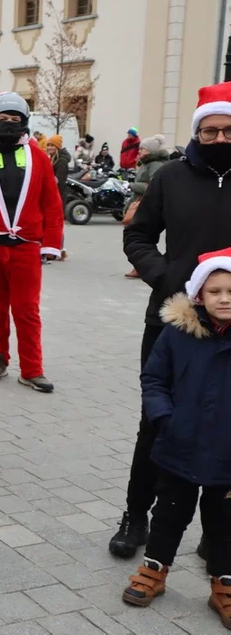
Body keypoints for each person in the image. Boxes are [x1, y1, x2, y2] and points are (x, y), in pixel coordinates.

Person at [114, 82, 231, 560]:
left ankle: (217, 533)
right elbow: (138, 234)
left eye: (228, 130)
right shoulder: (169, 178)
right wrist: (164, 277)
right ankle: (136, 514)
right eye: (211, 130)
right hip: (175, 321)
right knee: (157, 421)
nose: (221, 138)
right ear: (197, 132)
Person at [119, 250, 231, 629]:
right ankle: (154, 568)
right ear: (199, 295)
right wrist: (165, 417)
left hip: (228, 453)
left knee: (225, 521)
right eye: (214, 290)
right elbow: (154, 379)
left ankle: (224, 582)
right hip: (178, 444)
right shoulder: (178, 334)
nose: (224, 298)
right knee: (168, 512)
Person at [0, 92, 63, 393]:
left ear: (25, 122)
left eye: (15, 121)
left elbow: (52, 205)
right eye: (3, 120)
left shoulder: (39, 157)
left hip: (26, 247)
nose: (9, 125)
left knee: (27, 310)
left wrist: (51, 245)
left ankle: (32, 369)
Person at [124, 134, 171, 279]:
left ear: (150, 151)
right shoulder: (146, 163)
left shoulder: (155, 165)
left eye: (143, 149)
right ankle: (139, 266)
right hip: (140, 201)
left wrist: (133, 185)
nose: (140, 151)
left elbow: (152, 187)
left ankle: (141, 267)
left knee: (139, 237)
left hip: (144, 203)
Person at [44, 134, 69, 211]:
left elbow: (60, 181)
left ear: (57, 147)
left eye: (52, 145)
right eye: (48, 145)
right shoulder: (52, 159)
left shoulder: (61, 161)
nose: (50, 148)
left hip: (57, 195)